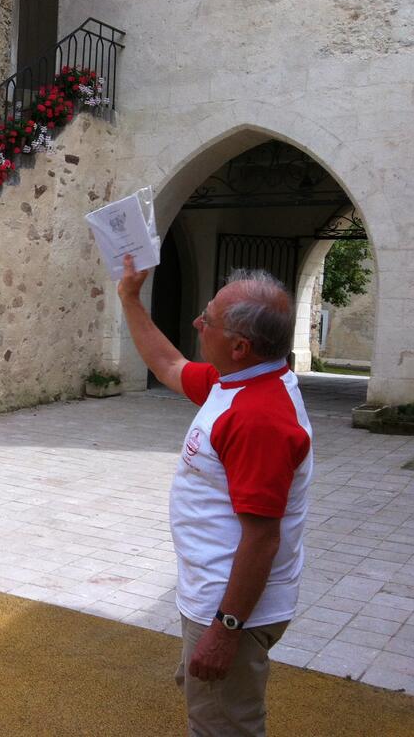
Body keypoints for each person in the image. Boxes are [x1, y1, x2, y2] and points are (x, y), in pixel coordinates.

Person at [117, 255, 312, 737]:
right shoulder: (240, 382)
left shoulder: (258, 418)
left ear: (240, 346)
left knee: (224, 726)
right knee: (211, 709)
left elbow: (262, 539)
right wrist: (130, 298)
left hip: (231, 610)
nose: (196, 323)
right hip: (217, 599)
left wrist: (225, 630)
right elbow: (169, 364)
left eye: (208, 319)